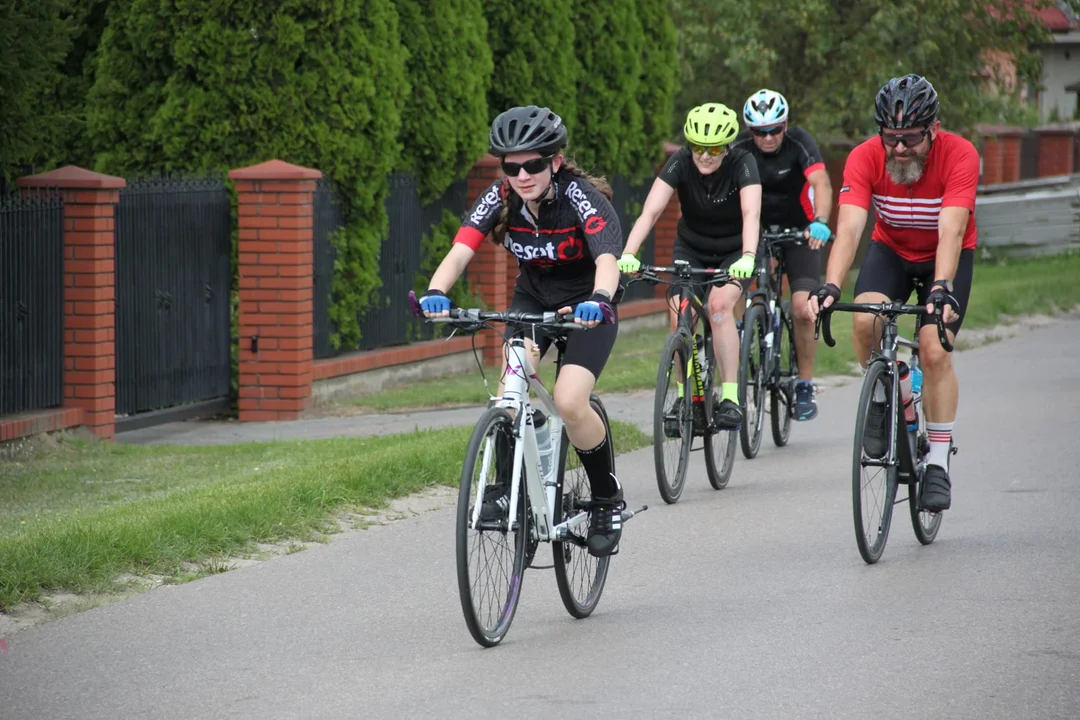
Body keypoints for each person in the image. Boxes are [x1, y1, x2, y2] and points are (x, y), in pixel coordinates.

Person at [417, 105, 627, 557]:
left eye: (534, 164)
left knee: (570, 401)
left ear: (554, 161)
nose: (523, 175)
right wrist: (436, 290)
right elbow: (460, 249)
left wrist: (601, 299)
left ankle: (606, 498)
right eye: (512, 167)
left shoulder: (581, 197)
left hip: (588, 302)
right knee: (511, 389)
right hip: (533, 300)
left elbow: (608, 259)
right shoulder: (499, 198)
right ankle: (505, 491)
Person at [807, 74, 978, 512]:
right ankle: (886, 395)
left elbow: (952, 228)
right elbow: (849, 227)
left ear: (933, 130)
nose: (899, 149)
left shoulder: (960, 154)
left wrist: (941, 288)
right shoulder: (865, 156)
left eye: (910, 139)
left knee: (933, 347)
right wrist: (831, 285)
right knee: (864, 319)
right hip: (893, 249)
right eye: (891, 138)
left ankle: (937, 463)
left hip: (945, 252)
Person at [618, 103, 762, 431]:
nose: (705, 156)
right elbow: (651, 212)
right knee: (679, 312)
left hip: (736, 249)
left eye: (713, 149)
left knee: (719, 307)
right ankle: (687, 397)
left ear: (726, 148)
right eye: (698, 147)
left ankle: (730, 399)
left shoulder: (744, 162)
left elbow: (751, 214)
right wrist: (629, 252)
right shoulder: (680, 161)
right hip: (693, 246)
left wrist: (749, 257)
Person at [732, 88, 834, 421]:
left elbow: (821, 182)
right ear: (750, 131)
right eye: (760, 131)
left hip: (800, 232)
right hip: (755, 232)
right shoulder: (741, 150)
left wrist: (820, 221)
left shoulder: (800, 142)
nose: (768, 137)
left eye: (775, 129)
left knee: (805, 310)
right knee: (735, 288)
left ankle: (805, 384)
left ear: (786, 124)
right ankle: (736, 355)